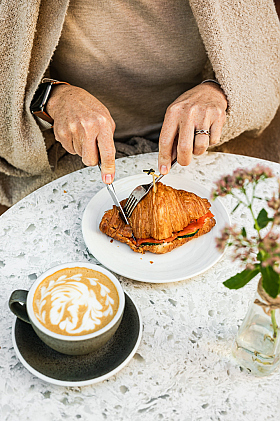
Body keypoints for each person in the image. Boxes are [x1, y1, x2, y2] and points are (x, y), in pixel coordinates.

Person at [0, 0, 279, 207]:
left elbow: (260, 73)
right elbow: (6, 84)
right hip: (66, 155)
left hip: (198, 150)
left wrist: (217, 92)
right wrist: (52, 97)